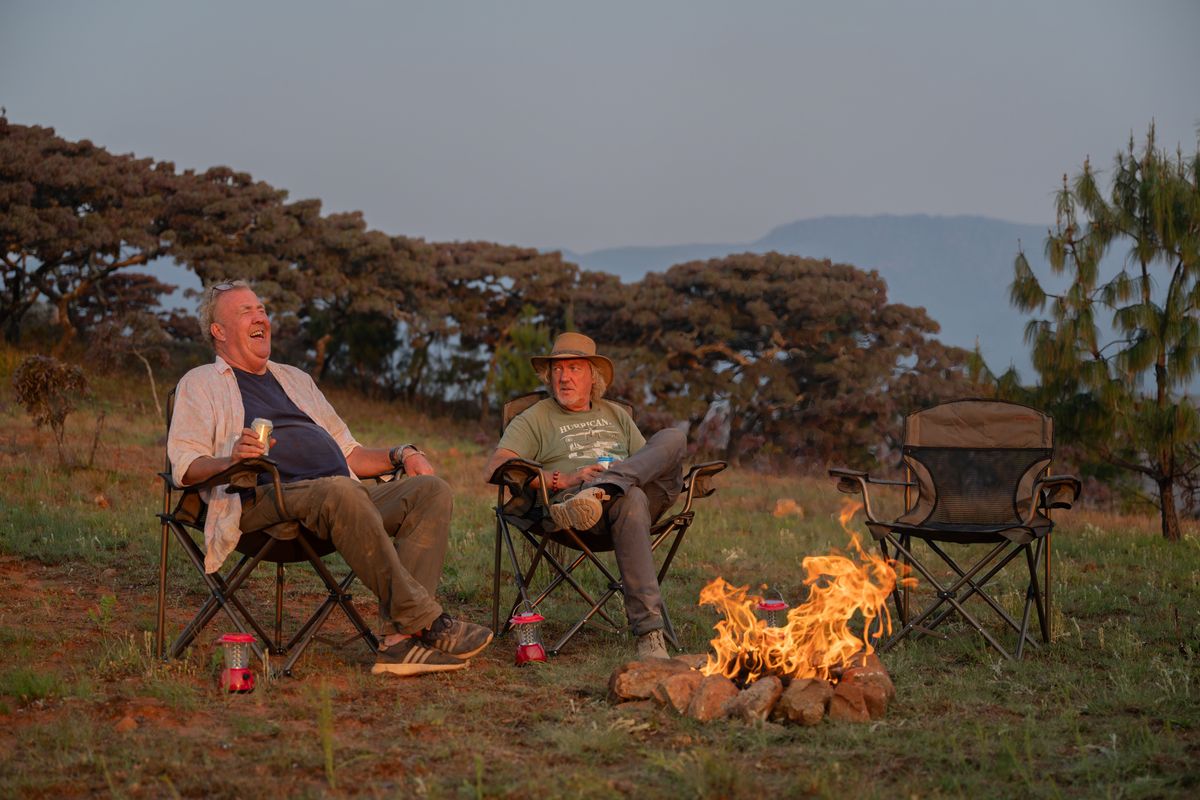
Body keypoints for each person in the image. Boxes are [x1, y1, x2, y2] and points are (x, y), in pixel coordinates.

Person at [168, 280, 492, 676]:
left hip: (340, 502)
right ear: (218, 331)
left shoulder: (295, 379)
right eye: (245, 311)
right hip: (264, 503)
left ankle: (398, 643)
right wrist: (230, 459)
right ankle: (427, 622)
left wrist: (402, 453)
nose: (260, 317)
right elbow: (185, 465)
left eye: (262, 310)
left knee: (430, 491)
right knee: (341, 491)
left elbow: (350, 452)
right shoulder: (201, 382)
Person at [483, 332, 687, 660]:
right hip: (578, 510)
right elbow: (495, 466)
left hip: (633, 496)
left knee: (673, 437)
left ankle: (608, 486)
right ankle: (650, 635)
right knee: (631, 499)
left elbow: (647, 461)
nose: (563, 377)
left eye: (574, 368)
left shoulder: (616, 414)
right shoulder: (536, 417)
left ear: (593, 376)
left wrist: (610, 481)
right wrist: (562, 479)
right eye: (557, 369)